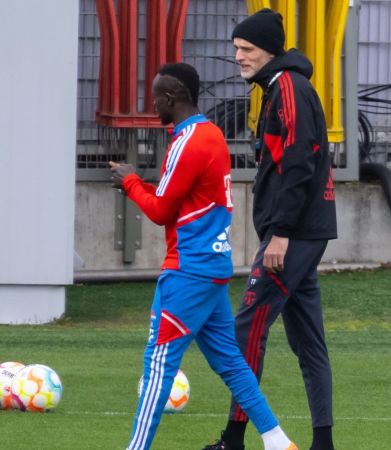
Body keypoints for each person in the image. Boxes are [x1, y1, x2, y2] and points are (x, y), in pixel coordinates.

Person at [111, 63, 298, 450]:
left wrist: (130, 181)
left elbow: (162, 210)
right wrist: (140, 183)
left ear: (171, 98)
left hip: (188, 271)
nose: (153, 104)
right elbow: (184, 199)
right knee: (230, 362)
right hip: (213, 268)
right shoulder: (211, 135)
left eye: (156, 97)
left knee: (158, 364)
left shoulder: (186, 143)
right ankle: (278, 441)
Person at [204, 9, 338, 450]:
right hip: (302, 230)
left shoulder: (289, 88)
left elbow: (297, 163)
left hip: (293, 234)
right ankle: (323, 442)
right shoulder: (280, 86)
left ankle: (235, 439)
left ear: (269, 51)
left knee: (249, 327)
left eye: (246, 49)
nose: (238, 57)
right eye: (237, 49)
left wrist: (279, 232)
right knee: (308, 343)